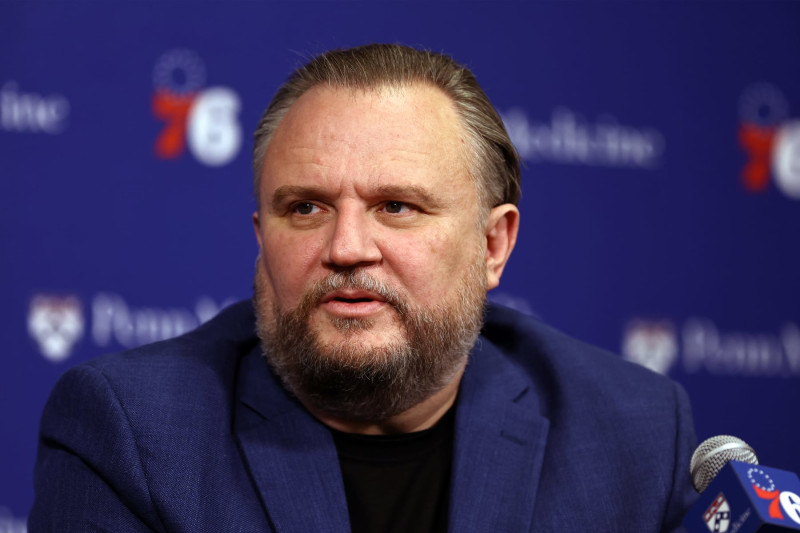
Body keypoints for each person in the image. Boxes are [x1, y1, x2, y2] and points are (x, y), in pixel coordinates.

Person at [30, 44, 697, 532]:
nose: (347, 247)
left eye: (397, 206)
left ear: (493, 245)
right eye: (306, 209)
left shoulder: (631, 433)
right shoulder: (131, 433)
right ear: (262, 238)